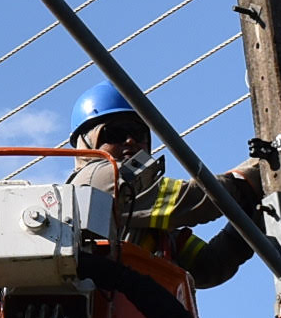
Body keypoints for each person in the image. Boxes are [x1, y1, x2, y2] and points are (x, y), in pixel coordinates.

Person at [65, 83, 262, 288]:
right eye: (115, 133)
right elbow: (193, 200)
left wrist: (256, 214)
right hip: (113, 309)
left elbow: (207, 265)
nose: (131, 140)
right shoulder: (100, 178)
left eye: (138, 133)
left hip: (143, 313)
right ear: (86, 143)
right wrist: (254, 175)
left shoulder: (146, 217)